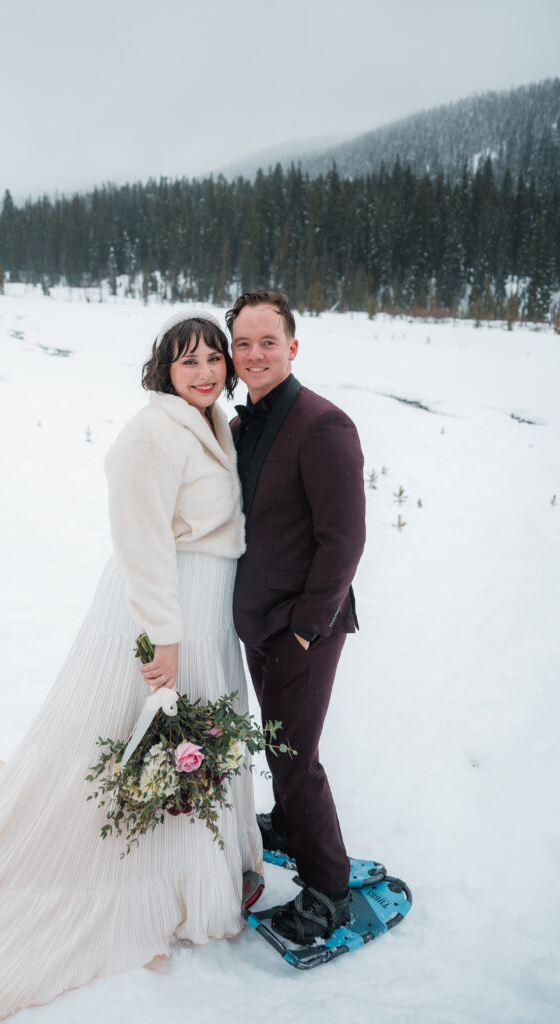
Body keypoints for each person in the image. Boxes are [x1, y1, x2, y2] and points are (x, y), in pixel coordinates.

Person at [0, 309, 262, 1024]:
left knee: (186, 740)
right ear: (163, 369)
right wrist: (162, 637)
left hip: (202, 608)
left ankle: (194, 867)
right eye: (189, 361)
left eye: (214, 357)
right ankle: (155, 878)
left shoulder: (205, 422)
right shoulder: (150, 433)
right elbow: (141, 538)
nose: (207, 370)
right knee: (146, 732)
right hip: (163, 607)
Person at [226, 289, 366, 945]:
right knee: (279, 746)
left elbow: (344, 540)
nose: (254, 355)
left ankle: (328, 888)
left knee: (294, 755)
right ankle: (285, 824)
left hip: (303, 627)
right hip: (259, 621)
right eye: (243, 343)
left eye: (267, 343)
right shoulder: (242, 422)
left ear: (292, 347)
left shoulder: (322, 424)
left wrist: (306, 628)